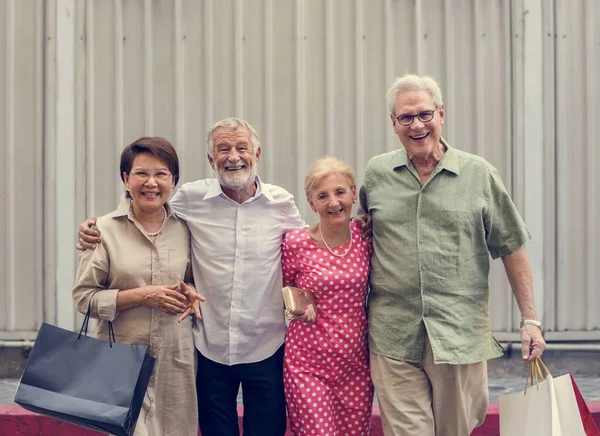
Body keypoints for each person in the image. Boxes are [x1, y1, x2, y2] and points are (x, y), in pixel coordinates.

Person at [77, 118, 305, 436]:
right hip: (208, 345)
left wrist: (353, 229)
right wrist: (92, 227)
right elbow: (143, 210)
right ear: (211, 159)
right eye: (223, 149)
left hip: (265, 343)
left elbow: (310, 247)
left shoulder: (281, 203)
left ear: (258, 153)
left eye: (242, 147)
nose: (233, 156)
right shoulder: (189, 201)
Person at [358, 74, 547, 436]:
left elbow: (511, 246)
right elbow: (362, 230)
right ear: (393, 123)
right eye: (406, 117)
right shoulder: (378, 173)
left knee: (455, 430)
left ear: (441, 114)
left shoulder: (479, 175)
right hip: (392, 333)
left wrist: (530, 320)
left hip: (459, 334)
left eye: (424, 114)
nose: (417, 125)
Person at [72, 137, 204, 436]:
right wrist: (145, 295)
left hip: (176, 360)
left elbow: (195, 278)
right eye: (141, 173)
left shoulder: (186, 228)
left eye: (161, 174)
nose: (151, 183)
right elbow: (84, 298)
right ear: (125, 178)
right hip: (122, 358)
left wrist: (190, 292)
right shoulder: (102, 231)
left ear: (173, 181)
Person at [282, 156, 374, 435]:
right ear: (311, 203)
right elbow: (282, 290)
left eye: (340, 192)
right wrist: (296, 308)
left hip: (356, 364)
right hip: (308, 364)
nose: (333, 202)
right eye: (323, 196)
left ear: (353, 193)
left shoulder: (366, 235)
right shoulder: (295, 243)